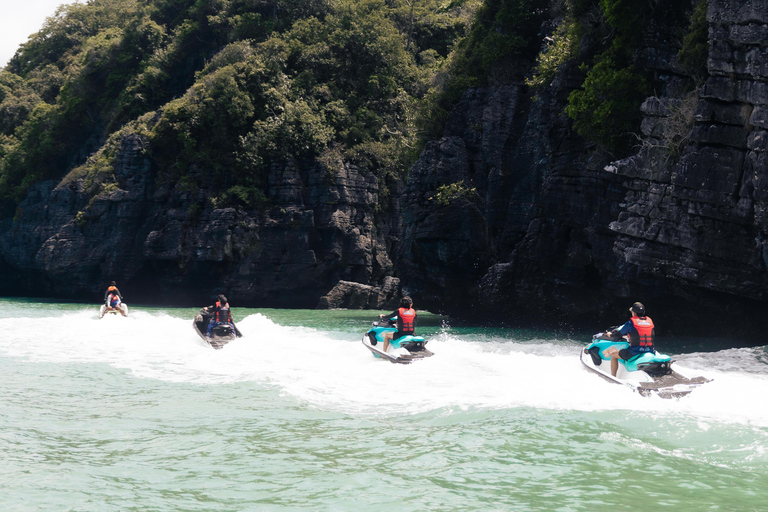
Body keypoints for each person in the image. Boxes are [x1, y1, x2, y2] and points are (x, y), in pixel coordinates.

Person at [603, 302, 655, 377]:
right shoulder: (650, 321)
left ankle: (613, 377)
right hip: (650, 350)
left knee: (613, 355)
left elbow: (618, 334)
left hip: (635, 352)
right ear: (644, 312)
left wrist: (610, 334)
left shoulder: (631, 322)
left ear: (633, 313)